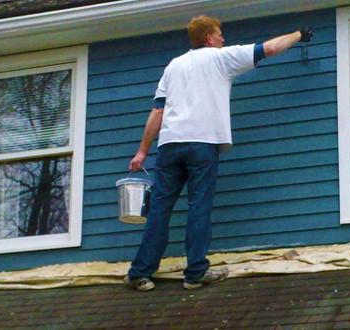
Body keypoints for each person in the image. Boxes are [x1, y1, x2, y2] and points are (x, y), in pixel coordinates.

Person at [124, 15, 312, 291]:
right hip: (202, 144)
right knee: (199, 207)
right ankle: (195, 273)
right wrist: (299, 34)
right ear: (209, 39)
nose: (223, 38)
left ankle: (140, 273)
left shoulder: (173, 66)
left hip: (169, 145)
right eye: (219, 34)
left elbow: (158, 111)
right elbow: (269, 48)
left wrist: (141, 152)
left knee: (160, 211)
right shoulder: (221, 57)